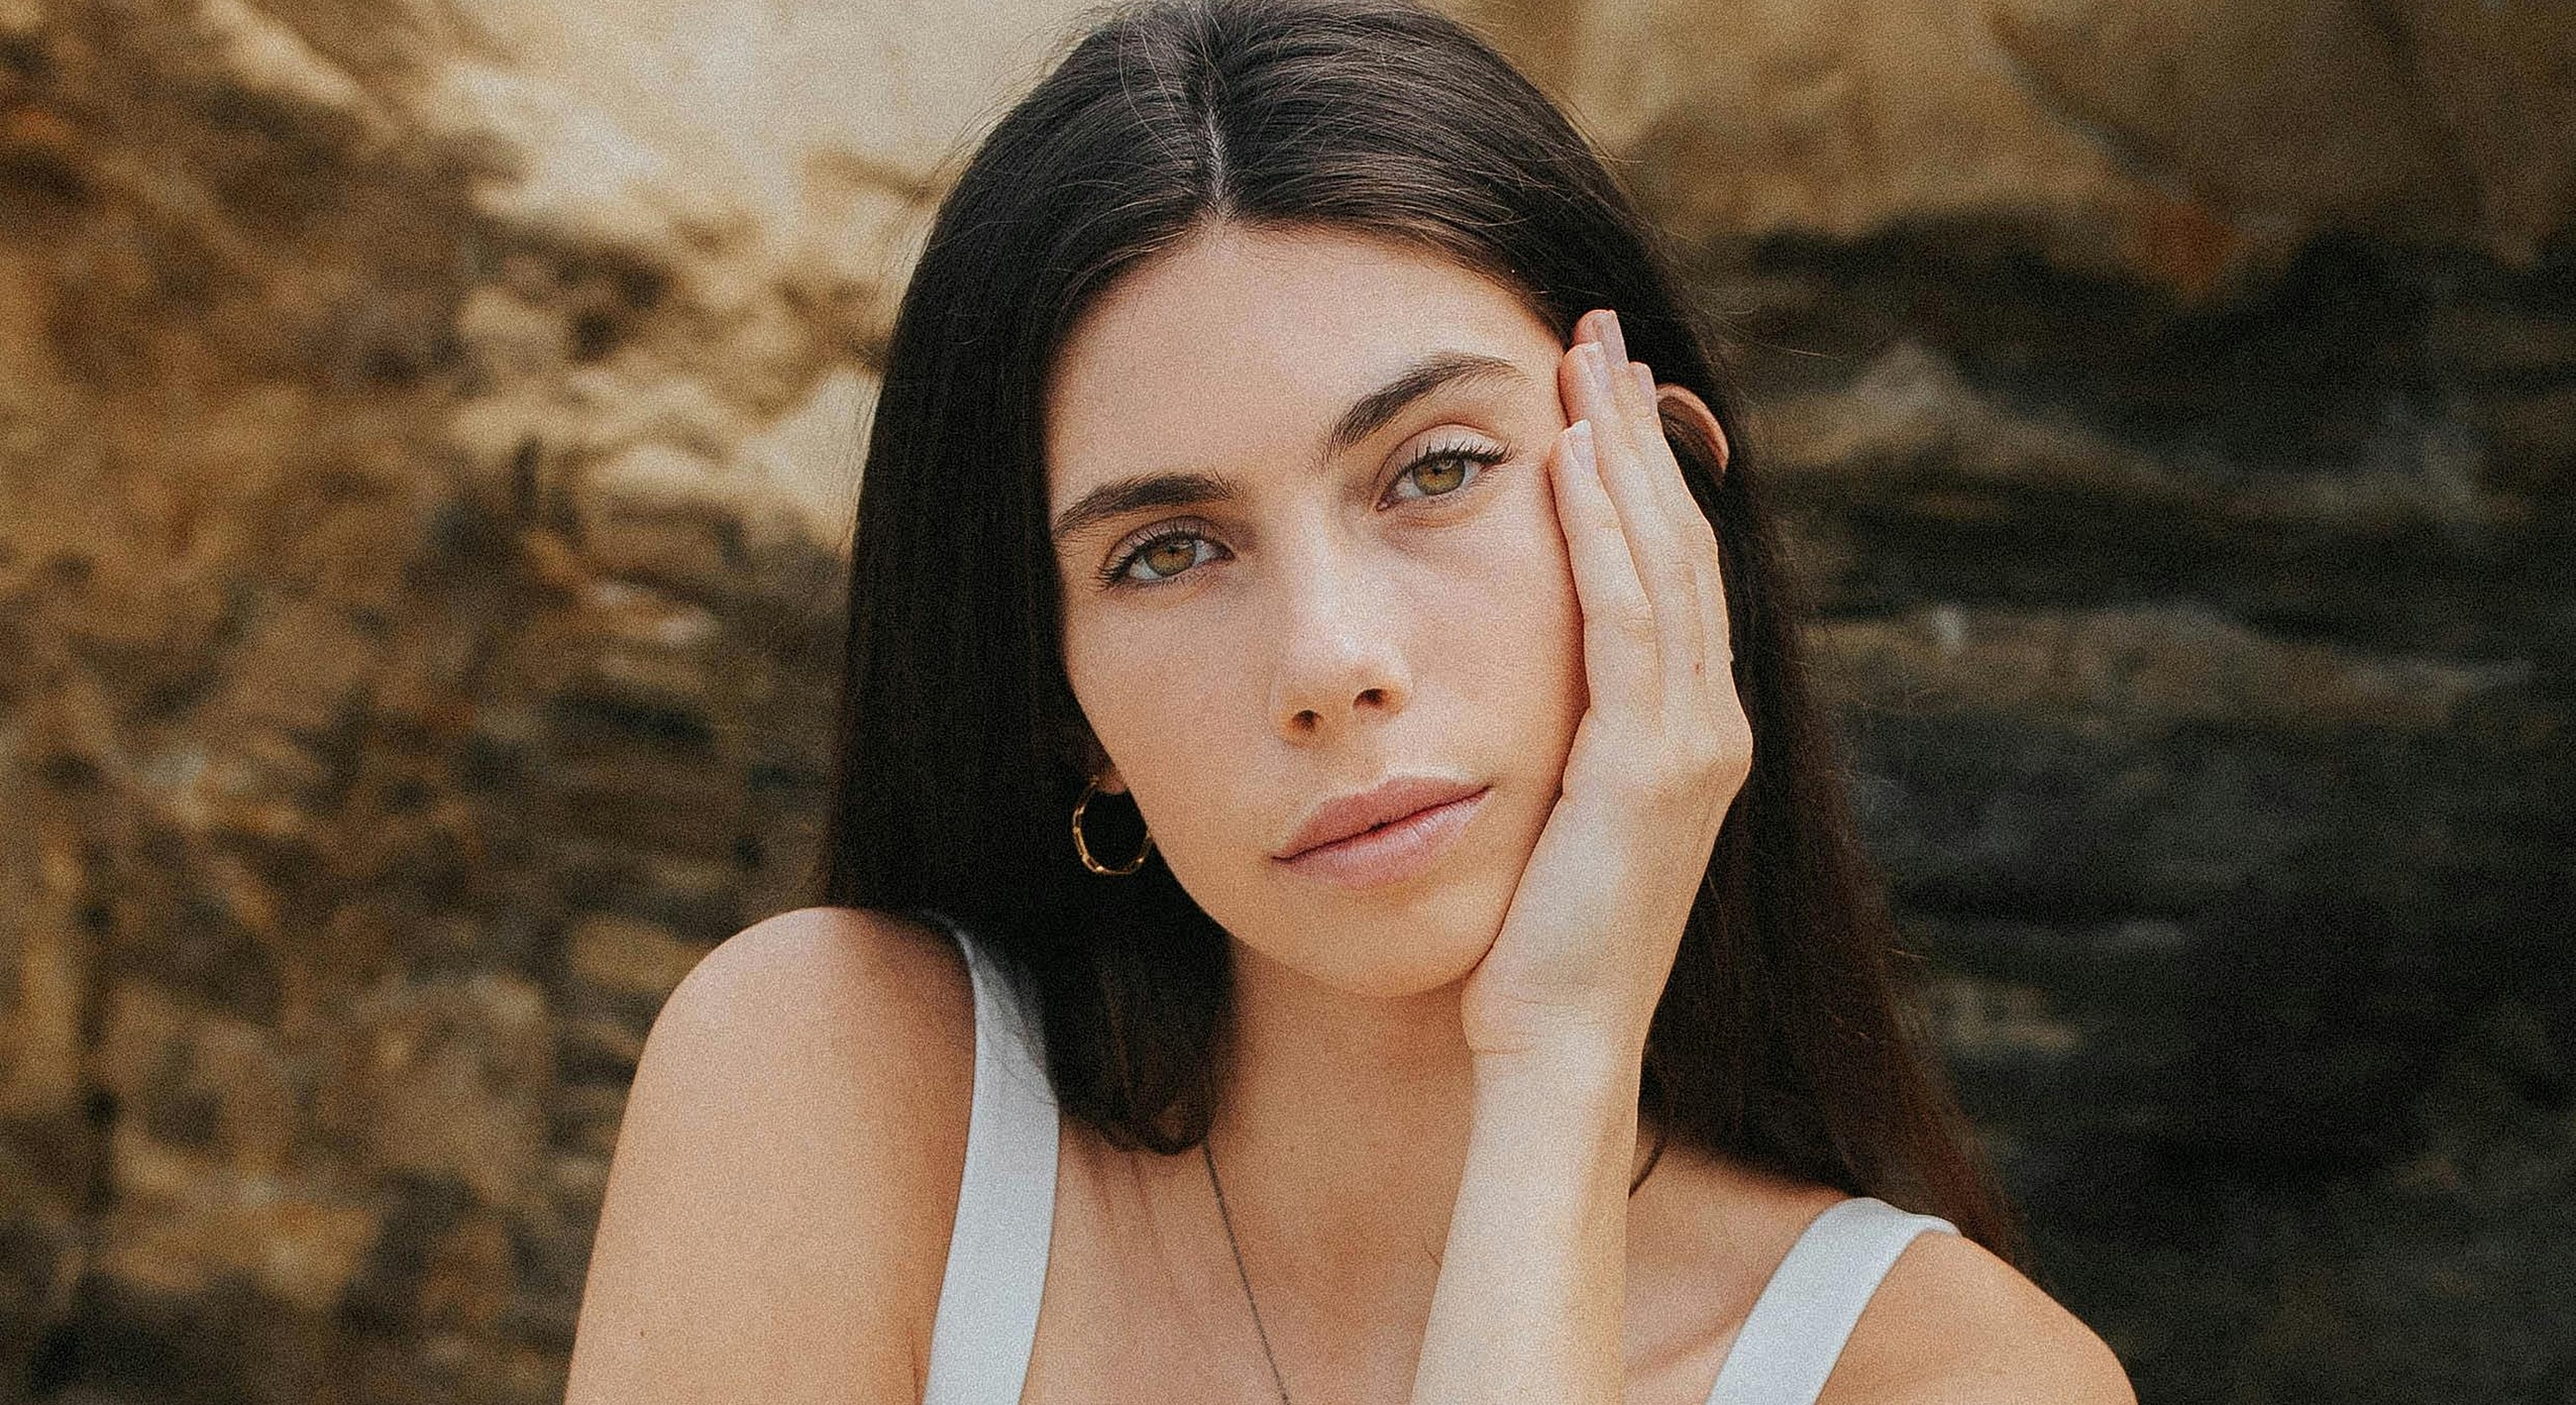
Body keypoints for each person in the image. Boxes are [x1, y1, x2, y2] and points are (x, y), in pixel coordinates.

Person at [564, 1, 2136, 1401]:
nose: (1329, 659)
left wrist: (1561, 1063)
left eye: (1434, 469)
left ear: (1657, 500)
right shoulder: (833, 1096)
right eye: (1168, 551)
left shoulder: (1957, 1378)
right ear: (1064, 709)